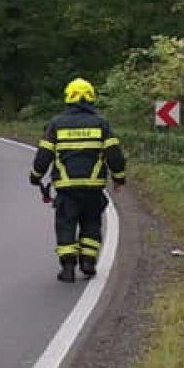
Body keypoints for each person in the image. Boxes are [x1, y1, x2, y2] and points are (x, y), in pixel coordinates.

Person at [30, 77, 127, 282]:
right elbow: (114, 154)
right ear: (91, 98)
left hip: (67, 189)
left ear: (68, 98)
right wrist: (119, 178)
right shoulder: (101, 124)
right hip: (93, 188)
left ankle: (67, 268)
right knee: (91, 222)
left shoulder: (56, 124)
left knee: (66, 224)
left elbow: (44, 156)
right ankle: (88, 261)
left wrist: (35, 176)